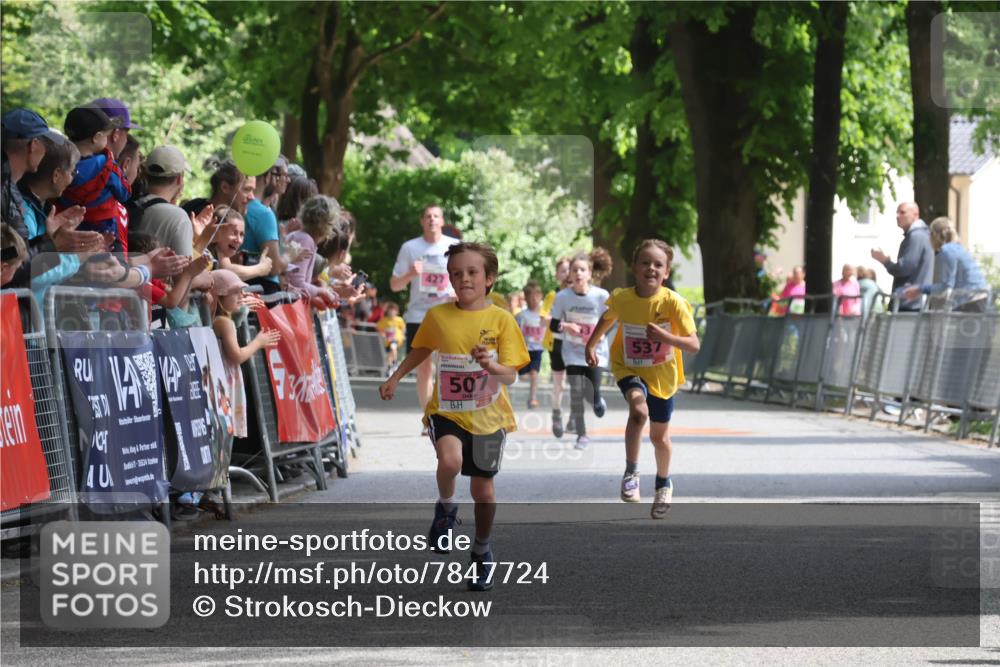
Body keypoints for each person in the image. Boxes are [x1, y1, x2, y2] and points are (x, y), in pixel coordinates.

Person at [379, 241, 529, 592]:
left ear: (489, 278)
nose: (464, 279)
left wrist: (490, 364)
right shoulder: (439, 316)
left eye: (472, 273)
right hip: (446, 410)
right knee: (449, 461)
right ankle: (446, 508)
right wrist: (395, 377)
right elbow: (421, 350)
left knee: (484, 491)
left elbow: (510, 375)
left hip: (489, 416)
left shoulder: (502, 320)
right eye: (456, 274)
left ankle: (481, 550)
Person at [585, 239, 700, 518]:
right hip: (629, 367)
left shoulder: (673, 303)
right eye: (645, 263)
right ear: (635, 268)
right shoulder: (622, 298)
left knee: (660, 438)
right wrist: (591, 344)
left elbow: (693, 343)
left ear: (666, 272)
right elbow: (608, 317)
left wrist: (666, 337)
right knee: (638, 411)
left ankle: (663, 482)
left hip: (662, 375)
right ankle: (631, 472)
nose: (651, 268)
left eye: (658, 264)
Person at [389, 204, 461, 422]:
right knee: (423, 370)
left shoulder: (455, 246)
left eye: (436, 216)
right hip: (418, 316)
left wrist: (458, 293)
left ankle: (447, 414)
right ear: (422, 221)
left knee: (448, 367)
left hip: (448, 313)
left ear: (442, 221)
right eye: (428, 216)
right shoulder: (410, 248)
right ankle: (429, 416)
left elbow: (468, 277)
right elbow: (394, 285)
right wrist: (412, 272)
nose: (432, 220)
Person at [549, 249, 613, 449]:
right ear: (570, 274)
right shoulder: (562, 297)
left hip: (595, 350)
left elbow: (611, 320)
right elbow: (553, 326)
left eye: (582, 270)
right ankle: (582, 435)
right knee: (576, 392)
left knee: (590, 391)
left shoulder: (601, 296)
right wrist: (567, 326)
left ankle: (597, 399)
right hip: (573, 352)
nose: (577, 274)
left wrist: (600, 333)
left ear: (590, 273)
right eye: (574, 270)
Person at [212, 269, 281, 438]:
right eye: (236, 292)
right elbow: (237, 356)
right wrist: (259, 341)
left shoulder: (218, 320)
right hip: (225, 381)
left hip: (220, 379)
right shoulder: (225, 323)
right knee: (225, 432)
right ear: (220, 296)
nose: (242, 295)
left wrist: (243, 308)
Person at [58, 106, 130, 253]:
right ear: (96, 137)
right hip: (105, 232)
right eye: (106, 135)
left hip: (69, 234)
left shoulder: (58, 165)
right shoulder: (106, 166)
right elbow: (125, 193)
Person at [903, 216, 990, 312]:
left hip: (970, 302)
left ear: (935, 235)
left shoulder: (946, 251)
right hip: (980, 299)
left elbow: (946, 287)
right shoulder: (958, 248)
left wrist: (920, 289)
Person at [871, 201, 934, 311]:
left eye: (902, 212)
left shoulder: (916, 236)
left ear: (915, 214)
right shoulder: (921, 235)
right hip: (914, 303)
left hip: (909, 304)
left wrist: (885, 261)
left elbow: (905, 268)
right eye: (897, 212)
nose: (898, 216)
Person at [284, 195, 342, 308]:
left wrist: (323, 289)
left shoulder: (302, 236)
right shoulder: (306, 240)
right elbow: (297, 283)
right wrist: (322, 292)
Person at [544, 257, 572, 437]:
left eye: (570, 270)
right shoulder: (553, 295)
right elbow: (543, 317)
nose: (567, 274)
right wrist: (562, 322)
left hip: (576, 343)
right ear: (557, 275)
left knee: (575, 381)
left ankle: (575, 418)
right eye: (563, 271)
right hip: (557, 342)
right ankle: (556, 414)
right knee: (559, 383)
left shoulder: (579, 296)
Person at [211, 206, 273, 282]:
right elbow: (228, 272)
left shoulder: (221, 250)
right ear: (217, 231)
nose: (239, 240)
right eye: (234, 233)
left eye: (241, 234)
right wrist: (261, 269)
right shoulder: (212, 247)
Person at [516, 280, 548, 409]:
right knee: (523, 375)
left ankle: (532, 398)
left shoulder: (545, 315)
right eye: (530, 296)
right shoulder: (521, 315)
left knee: (534, 373)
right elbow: (516, 332)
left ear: (541, 297)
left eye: (536, 296)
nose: (534, 299)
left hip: (537, 350)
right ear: (526, 298)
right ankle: (527, 384)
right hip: (524, 349)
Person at [376, 302, 405, 368]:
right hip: (387, 340)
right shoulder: (384, 320)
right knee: (390, 353)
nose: (391, 312)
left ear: (396, 312)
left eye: (393, 310)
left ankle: (394, 363)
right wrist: (383, 334)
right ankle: (389, 365)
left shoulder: (399, 320)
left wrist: (402, 336)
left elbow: (402, 328)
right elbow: (379, 328)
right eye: (390, 310)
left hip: (396, 339)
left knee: (393, 347)